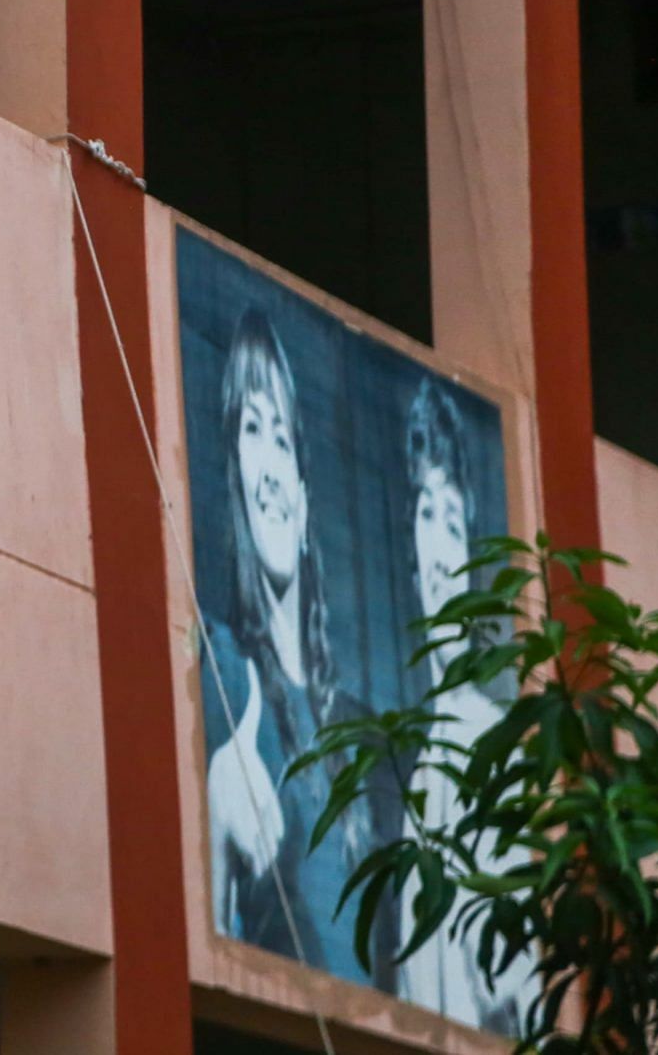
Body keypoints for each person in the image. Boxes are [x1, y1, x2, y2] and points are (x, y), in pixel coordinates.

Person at [201, 307, 396, 988]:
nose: (271, 466)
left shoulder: (367, 732)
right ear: (235, 474)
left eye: (282, 436)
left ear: (308, 499)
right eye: (252, 430)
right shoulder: (220, 672)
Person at [394, 380, 539, 1034]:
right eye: (427, 517)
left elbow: (519, 990)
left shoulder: (490, 747)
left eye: (454, 524)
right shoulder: (416, 758)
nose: (440, 546)